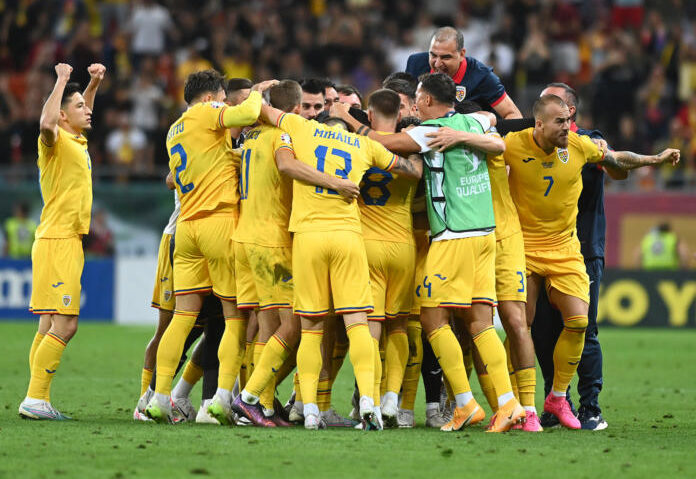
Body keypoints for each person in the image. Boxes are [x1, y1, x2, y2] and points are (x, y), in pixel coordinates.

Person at [335, 72, 526, 433]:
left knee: (431, 320)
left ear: (424, 101)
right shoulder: (472, 119)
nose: (416, 104)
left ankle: (467, 403)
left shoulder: (430, 131)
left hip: (454, 235)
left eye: (418, 98)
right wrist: (467, 135)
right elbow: (494, 126)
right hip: (486, 233)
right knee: (480, 323)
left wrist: (348, 119)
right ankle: (507, 403)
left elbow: (381, 140)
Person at [505, 94, 679, 429]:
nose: (567, 127)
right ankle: (521, 407)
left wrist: (654, 159)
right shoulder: (511, 144)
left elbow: (616, 160)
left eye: (569, 121)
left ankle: (558, 398)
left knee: (580, 322)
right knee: (520, 328)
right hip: (522, 249)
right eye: (560, 122)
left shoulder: (579, 145)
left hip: (565, 249)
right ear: (538, 122)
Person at [258, 96, 422, 430]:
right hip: (359, 240)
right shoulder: (365, 145)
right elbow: (414, 171)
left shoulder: (303, 130)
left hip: (310, 238)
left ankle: (309, 409)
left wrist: (261, 92)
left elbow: (261, 111)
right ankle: (374, 404)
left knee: (311, 328)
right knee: (366, 324)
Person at [145, 70, 277, 423]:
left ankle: (159, 398)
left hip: (186, 228)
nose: (222, 104)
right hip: (218, 221)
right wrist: (258, 93)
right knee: (235, 316)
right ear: (208, 98)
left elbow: (206, 163)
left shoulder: (174, 130)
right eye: (221, 98)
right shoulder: (206, 113)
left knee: (183, 318)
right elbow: (247, 115)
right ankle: (220, 399)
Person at [230, 79, 359, 427]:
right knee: (295, 325)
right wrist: (335, 183)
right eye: (306, 108)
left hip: (247, 237)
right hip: (272, 240)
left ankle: (264, 406)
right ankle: (250, 399)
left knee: (269, 325)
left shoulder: (251, 135)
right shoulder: (281, 135)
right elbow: (288, 166)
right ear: (296, 109)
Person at [531, 82, 627, 431]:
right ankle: (557, 400)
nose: (543, 105)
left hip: (584, 248)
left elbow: (618, 169)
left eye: (552, 99)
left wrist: (611, 156)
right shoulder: (533, 139)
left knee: (584, 328)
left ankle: (590, 407)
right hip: (540, 250)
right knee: (542, 331)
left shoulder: (589, 140)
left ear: (569, 110)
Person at [19, 62, 106, 420]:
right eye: (80, 107)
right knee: (66, 324)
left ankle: (37, 398)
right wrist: (62, 80)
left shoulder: (75, 138)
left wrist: (94, 84)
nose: (88, 110)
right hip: (59, 238)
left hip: (60, 238)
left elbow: (77, 111)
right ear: (64, 115)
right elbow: (46, 122)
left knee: (47, 324)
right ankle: (35, 398)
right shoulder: (53, 141)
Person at [354, 88, 418, 427]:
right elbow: (418, 173)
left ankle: (373, 401)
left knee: (371, 328)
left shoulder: (359, 143)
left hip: (367, 245)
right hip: (403, 246)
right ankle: (393, 399)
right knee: (400, 327)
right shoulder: (410, 145)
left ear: (369, 114)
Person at [405, 27, 522, 119]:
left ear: (461, 54)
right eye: (433, 55)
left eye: (445, 57)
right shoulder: (416, 63)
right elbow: (405, 105)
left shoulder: (482, 77)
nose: (437, 64)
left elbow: (513, 115)